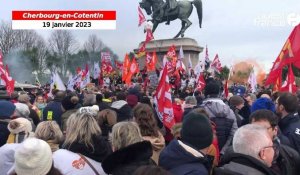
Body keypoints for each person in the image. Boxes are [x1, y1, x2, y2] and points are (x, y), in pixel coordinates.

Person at [53, 108, 111, 175]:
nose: (65, 130)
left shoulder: (62, 154)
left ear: (72, 129)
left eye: (68, 127)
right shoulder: (108, 147)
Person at [250, 109, 300, 175]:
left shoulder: (291, 156)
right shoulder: (239, 153)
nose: (258, 133)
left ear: (275, 130)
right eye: (254, 129)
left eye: (263, 129)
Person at [201, 80, 238, 155]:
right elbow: (234, 134)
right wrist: (222, 152)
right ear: (219, 93)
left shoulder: (199, 110)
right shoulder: (230, 112)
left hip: (202, 153)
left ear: (206, 93)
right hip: (223, 156)